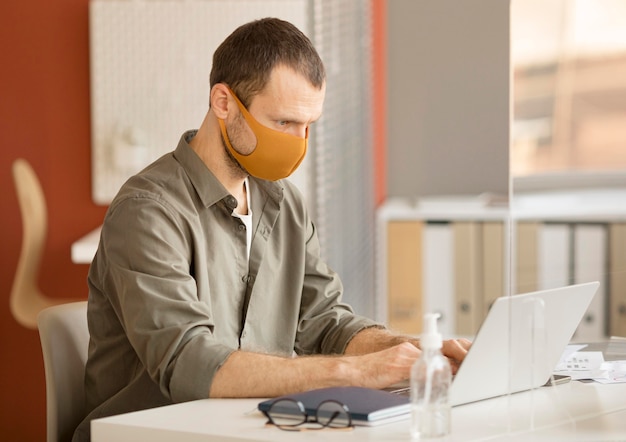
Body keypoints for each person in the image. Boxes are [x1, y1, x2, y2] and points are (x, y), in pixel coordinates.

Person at [72, 17, 470, 442]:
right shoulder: (147, 212)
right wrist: (352, 373)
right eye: (282, 123)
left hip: (253, 430)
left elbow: (326, 322)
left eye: (307, 126)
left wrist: (416, 351)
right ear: (223, 102)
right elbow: (187, 362)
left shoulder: (285, 204)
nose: (298, 143)